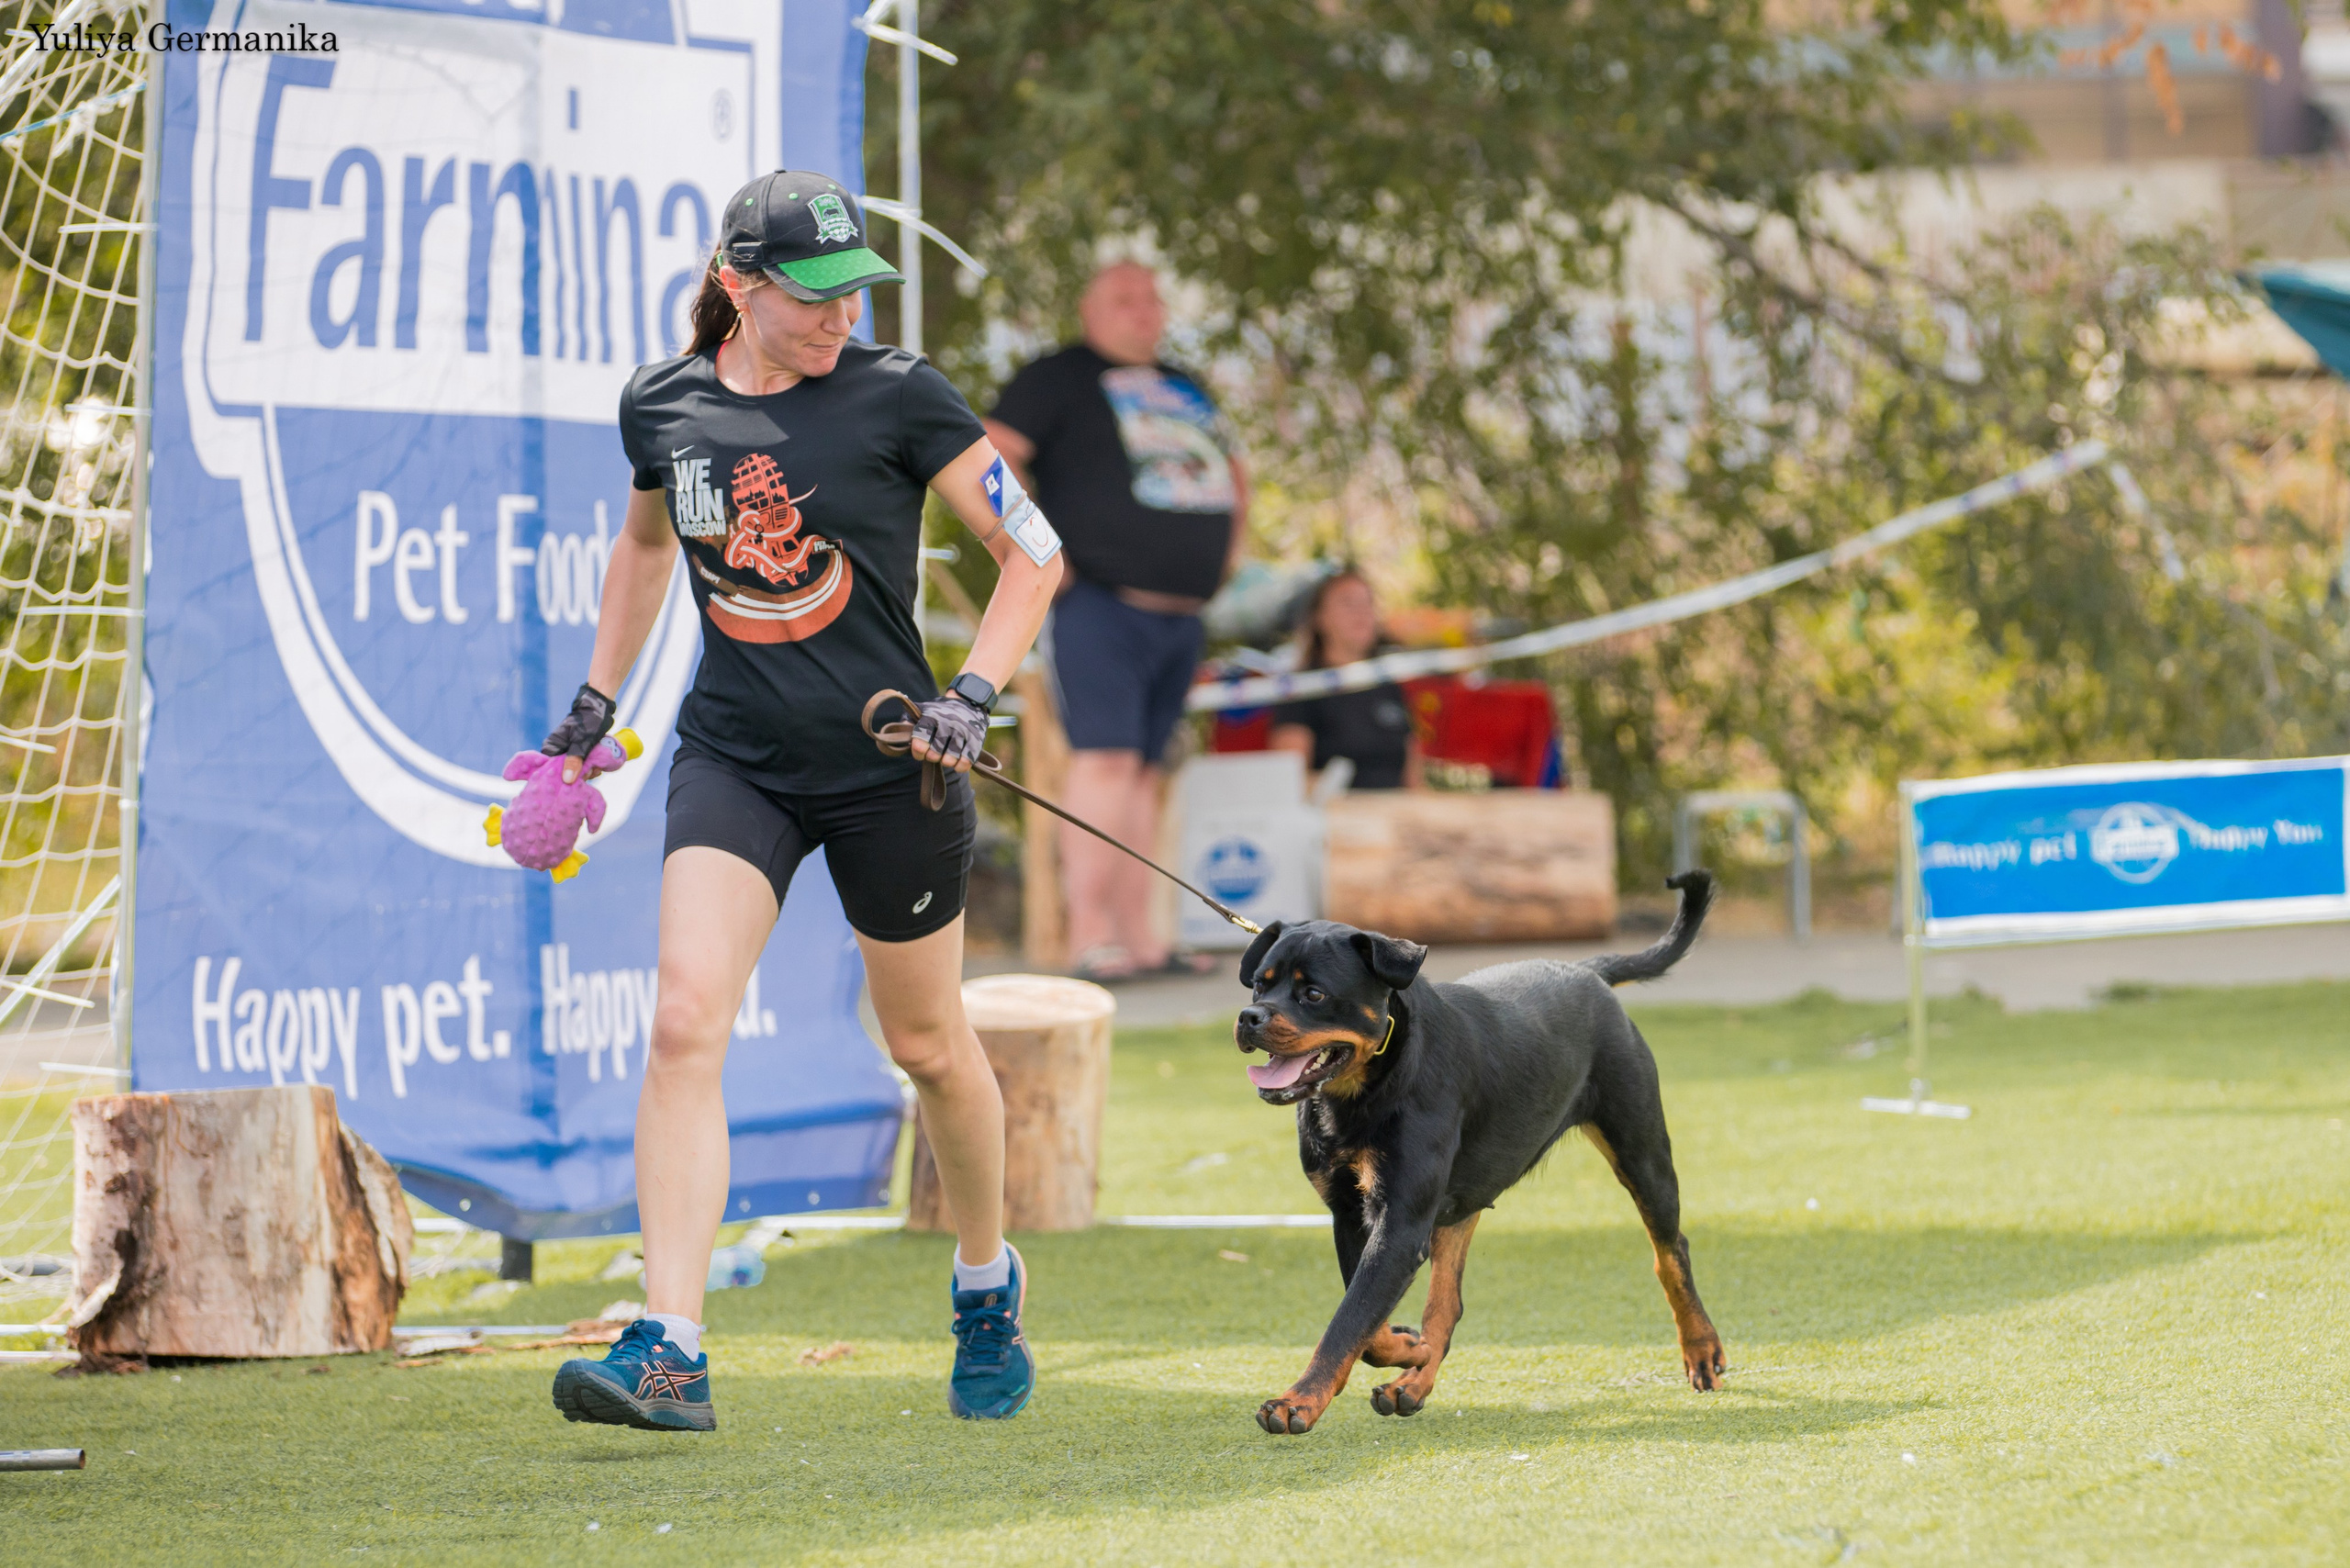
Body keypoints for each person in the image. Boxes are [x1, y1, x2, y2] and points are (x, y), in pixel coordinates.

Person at [543, 172, 1063, 1432]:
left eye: (854, 294)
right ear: (739, 285)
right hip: (738, 756)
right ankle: (669, 1348)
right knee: (680, 1023)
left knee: (929, 1049)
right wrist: (597, 704)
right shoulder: (662, 404)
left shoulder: (899, 395)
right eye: (815, 297)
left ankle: (986, 1281)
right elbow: (648, 546)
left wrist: (974, 691)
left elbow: (1032, 554)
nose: (841, 317)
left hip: (896, 766)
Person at [981, 262, 1248, 981]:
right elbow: (989, 452)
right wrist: (1029, 549)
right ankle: (1090, 938)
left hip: (1180, 616)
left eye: (1153, 298)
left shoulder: (1187, 385)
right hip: (1100, 606)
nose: (1144, 311)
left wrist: (1228, 552)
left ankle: (1142, 940)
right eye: (1124, 299)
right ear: (1089, 308)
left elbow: (1231, 468)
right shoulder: (1056, 377)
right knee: (1103, 763)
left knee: (1144, 774)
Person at [1269, 569, 1423, 791]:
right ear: (1319, 617)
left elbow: (1414, 777)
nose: (1361, 613)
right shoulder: (1302, 689)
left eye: (1367, 603)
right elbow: (1291, 780)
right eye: (1347, 603)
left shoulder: (1388, 684)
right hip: (1338, 817)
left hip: (1394, 817)